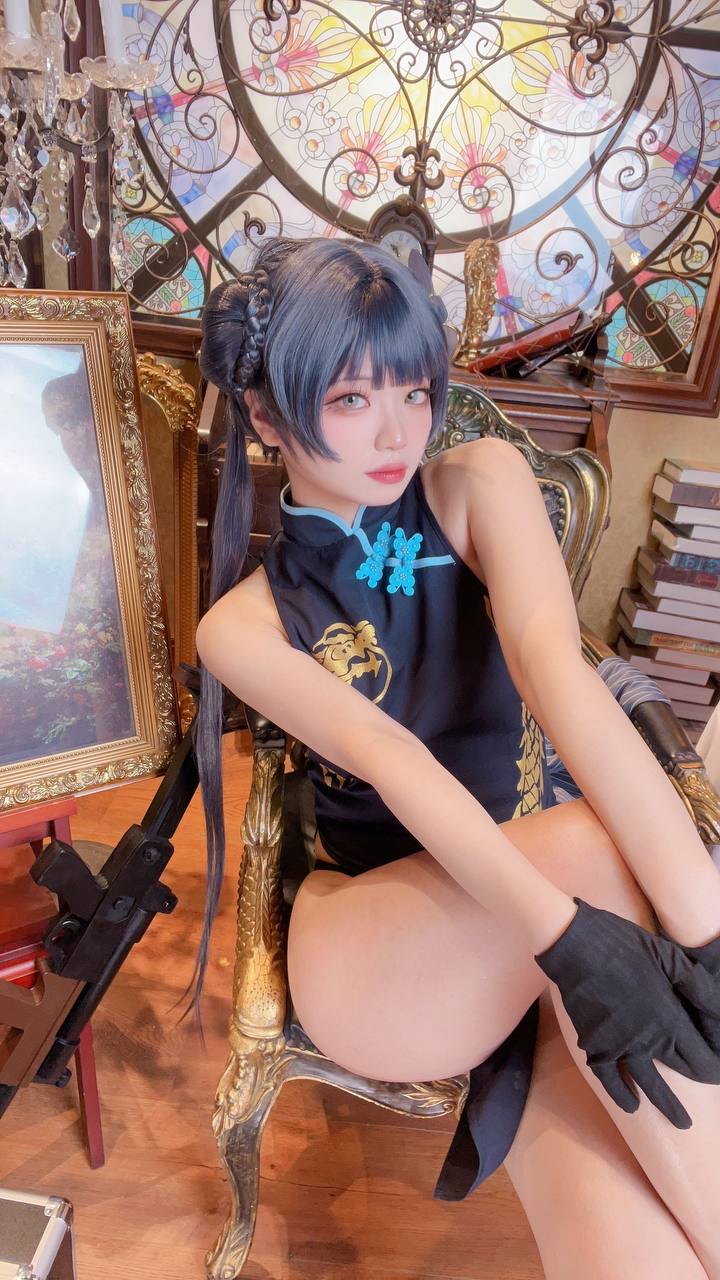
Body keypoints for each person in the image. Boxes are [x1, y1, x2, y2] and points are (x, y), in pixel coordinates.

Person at [193, 236, 720, 1278]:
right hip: (391, 945)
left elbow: (555, 672)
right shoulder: (242, 626)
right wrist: (583, 940)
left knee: (639, 1244)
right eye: (351, 399)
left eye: (415, 389)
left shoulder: (479, 480)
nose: (400, 430)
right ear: (263, 414)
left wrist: (703, 943)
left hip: (548, 926)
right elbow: (394, 758)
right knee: (599, 847)